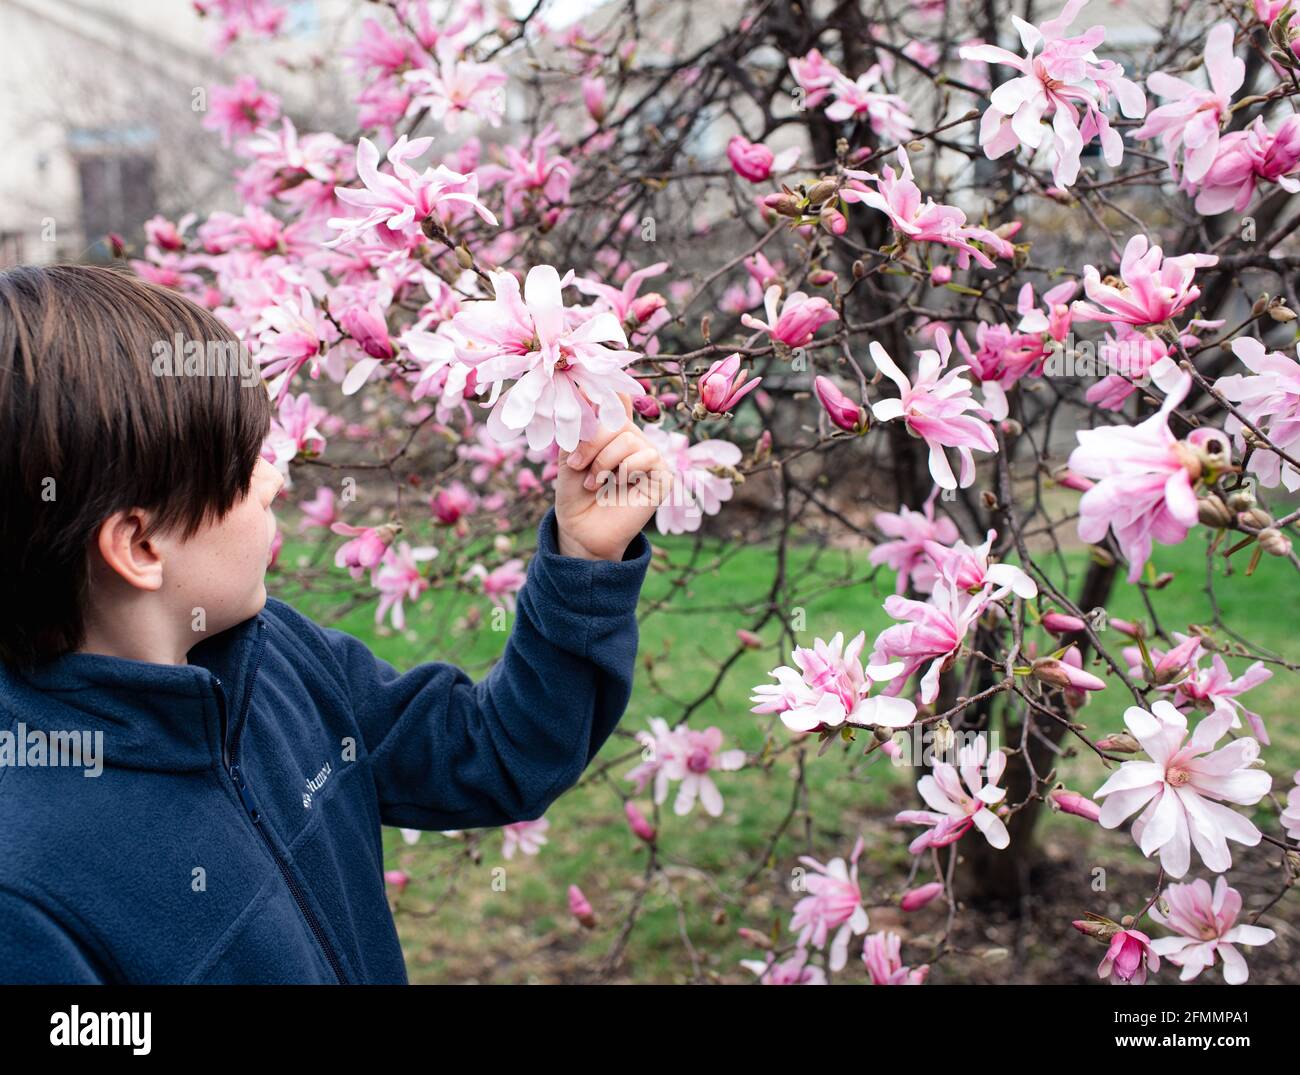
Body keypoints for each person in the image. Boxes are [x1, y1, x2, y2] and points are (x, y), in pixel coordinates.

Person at [0, 264, 672, 983]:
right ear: (139, 546)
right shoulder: (29, 892)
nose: (276, 476)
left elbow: (496, 752)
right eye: (240, 468)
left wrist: (584, 563)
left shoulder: (276, 660)